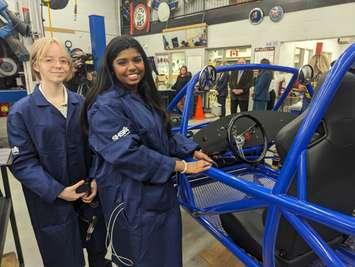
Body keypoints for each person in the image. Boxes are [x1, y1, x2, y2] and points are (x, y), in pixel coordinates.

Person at [82, 36, 213, 267]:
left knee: (167, 255)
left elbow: (164, 134)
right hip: (130, 198)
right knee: (140, 258)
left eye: (137, 59)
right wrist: (181, 166)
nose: (132, 67)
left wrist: (192, 150)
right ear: (111, 68)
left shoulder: (142, 96)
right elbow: (128, 153)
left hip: (159, 194)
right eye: (122, 62)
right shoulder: (105, 106)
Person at [7, 37, 110, 267]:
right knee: (64, 260)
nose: (58, 65)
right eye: (49, 60)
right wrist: (59, 191)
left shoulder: (82, 103)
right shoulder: (21, 112)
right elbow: (22, 163)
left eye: (64, 60)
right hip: (52, 204)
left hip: (88, 198)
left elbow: (96, 147)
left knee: (97, 253)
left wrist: (95, 179)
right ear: (36, 65)